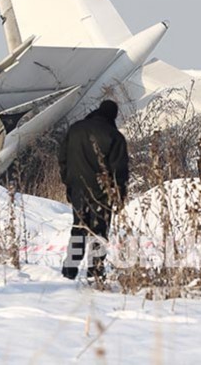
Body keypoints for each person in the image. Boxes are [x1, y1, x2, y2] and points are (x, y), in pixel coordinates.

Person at [58, 99, 129, 283]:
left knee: (79, 228)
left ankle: (70, 269)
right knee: (99, 232)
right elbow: (119, 171)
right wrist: (119, 196)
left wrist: (69, 182)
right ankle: (95, 270)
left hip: (78, 189)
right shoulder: (115, 136)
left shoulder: (76, 129)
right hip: (102, 194)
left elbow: (62, 157)